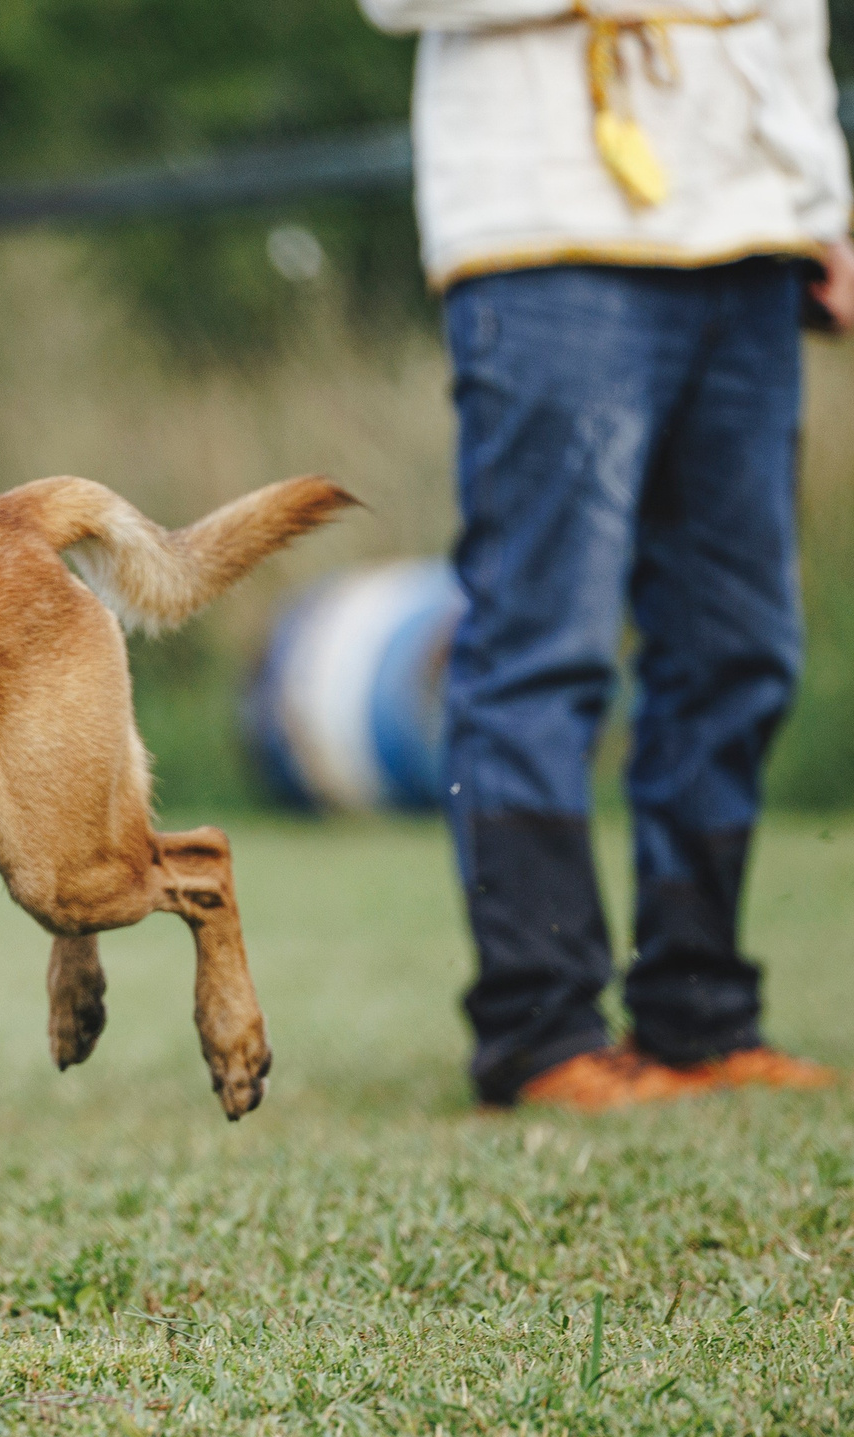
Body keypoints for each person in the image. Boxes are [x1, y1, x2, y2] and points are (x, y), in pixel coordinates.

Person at [363, 0, 847, 1108]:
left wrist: (820, 207)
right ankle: (539, 1029)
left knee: (738, 647)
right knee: (545, 642)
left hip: (748, 239)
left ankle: (700, 1012)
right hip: (546, 235)